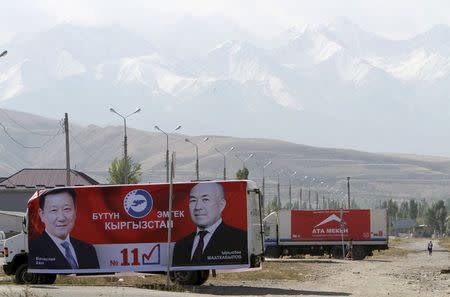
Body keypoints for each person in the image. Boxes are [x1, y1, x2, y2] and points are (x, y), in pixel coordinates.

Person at [172, 182, 248, 266]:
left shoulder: (240, 239)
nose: (197, 207)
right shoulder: (181, 245)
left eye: (205, 200)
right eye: (193, 200)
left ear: (221, 205)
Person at [29, 188, 99, 270]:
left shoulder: (88, 250)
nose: (61, 218)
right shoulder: (35, 249)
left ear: (75, 211)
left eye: (67, 209)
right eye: (54, 210)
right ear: (42, 215)